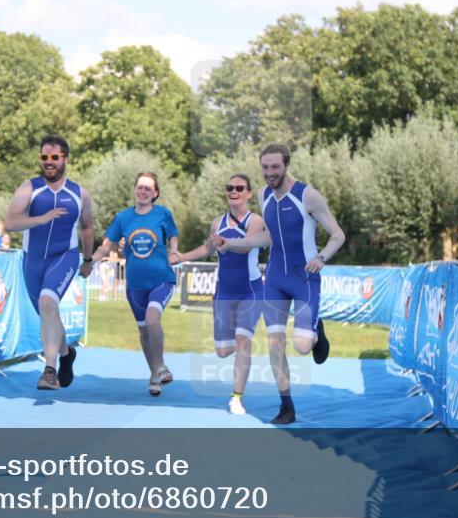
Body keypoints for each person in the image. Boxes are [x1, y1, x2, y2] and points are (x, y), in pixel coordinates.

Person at [216, 144, 346, 425]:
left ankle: (315, 331)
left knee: (301, 346)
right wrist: (232, 243)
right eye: (265, 167)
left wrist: (321, 257)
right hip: (274, 278)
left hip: (304, 277)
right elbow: (267, 239)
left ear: (286, 165)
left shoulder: (307, 196)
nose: (269, 173)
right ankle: (286, 407)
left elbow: (338, 235)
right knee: (275, 343)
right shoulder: (263, 196)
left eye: (275, 167)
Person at [4, 134, 94, 391]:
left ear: (65, 158)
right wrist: (40, 219)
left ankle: (49, 371)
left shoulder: (80, 194)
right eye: (45, 157)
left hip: (64, 257)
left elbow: (87, 228)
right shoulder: (29, 188)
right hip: (32, 261)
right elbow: (10, 222)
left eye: (55, 157)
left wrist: (87, 260)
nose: (49, 162)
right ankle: (66, 353)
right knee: (48, 314)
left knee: (47, 302)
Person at [175, 174, 264, 415]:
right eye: (230, 187)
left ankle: (236, 398)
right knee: (223, 351)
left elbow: (247, 245)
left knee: (243, 341)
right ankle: (238, 350)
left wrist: (226, 243)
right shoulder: (217, 223)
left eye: (239, 188)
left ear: (248, 193)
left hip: (251, 290)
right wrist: (181, 257)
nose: (234, 191)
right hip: (224, 291)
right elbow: (207, 248)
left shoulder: (255, 220)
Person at [90, 172, 179, 396]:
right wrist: (89, 260)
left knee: (152, 319)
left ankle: (161, 366)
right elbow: (107, 245)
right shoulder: (123, 218)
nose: (143, 191)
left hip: (161, 280)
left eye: (148, 188)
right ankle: (153, 374)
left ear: (155, 193)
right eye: (140, 187)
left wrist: (174, 250)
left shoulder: (163, 214)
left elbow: (173, 234)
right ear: (135, 190)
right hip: (135, 286)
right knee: (143, 331)